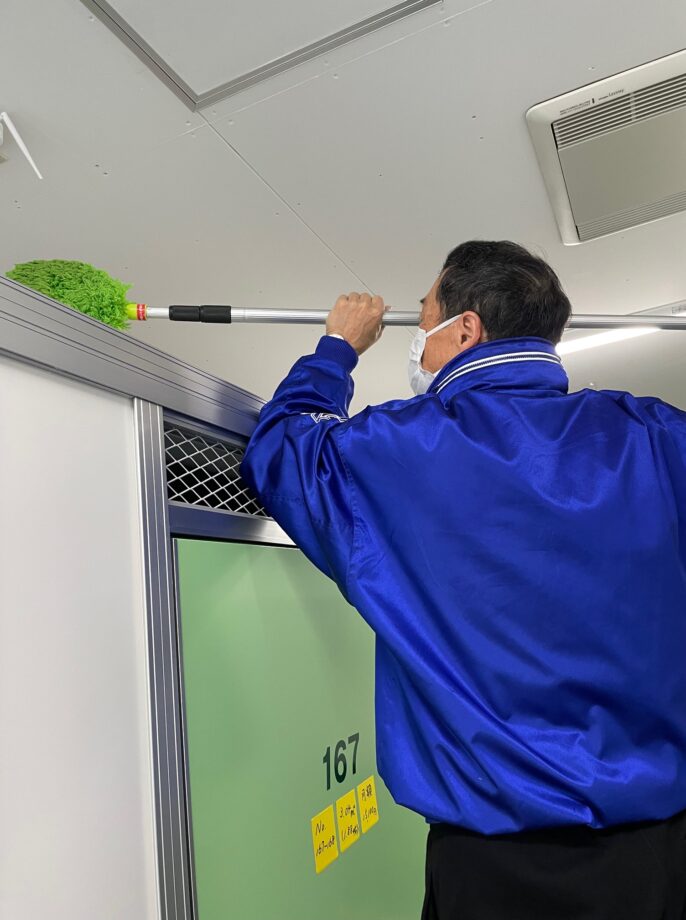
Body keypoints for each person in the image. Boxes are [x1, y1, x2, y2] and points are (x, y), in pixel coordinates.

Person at [241, 240, 686, 919]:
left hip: (494, 872)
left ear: (466, 329)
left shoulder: (398, 449)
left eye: (424, 315)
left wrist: (338, 349)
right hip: (662, 857)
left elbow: (280, 449)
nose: (417, 336)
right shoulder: (657, 435)